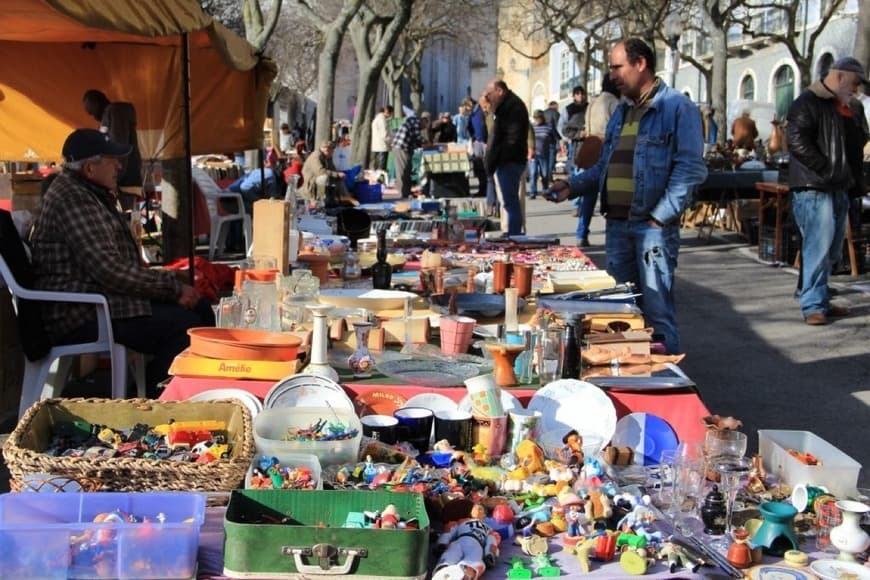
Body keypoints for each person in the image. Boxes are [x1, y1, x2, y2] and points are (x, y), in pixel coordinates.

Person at [548, 38, 707, 354]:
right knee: (622, 312)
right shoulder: (622, 112)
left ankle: (665, 381)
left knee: (657, 315)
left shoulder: (677, 107)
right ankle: (633, 374)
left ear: (641, 64)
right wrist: (573, 186)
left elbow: (690, 169)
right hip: (618, 226)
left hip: (651, 229)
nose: (613, 75)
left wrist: (659, 218)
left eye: (618, 67)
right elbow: (605, 167)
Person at [29, 129, 214, 397]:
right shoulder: (73, 198)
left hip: (100, 298)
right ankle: (156, 404)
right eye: (111, 159)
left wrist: (171, 284)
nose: (118, 165)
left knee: (200, 311)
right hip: (82, 311)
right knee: (185, 329)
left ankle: (175, 393)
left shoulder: (87, 191)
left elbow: (113, 267)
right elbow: (109, 270)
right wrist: (172, 288)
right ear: (91, 168)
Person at [786, 56, 868, 325]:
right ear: (840, 76)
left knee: (831, 251)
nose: (856, 89)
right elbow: (796, 140)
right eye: (854, 82)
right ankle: (813, 305)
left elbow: (857, 143)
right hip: (815, 185)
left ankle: (819, 297)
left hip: (838, 185)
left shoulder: (849, 107)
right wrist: (826, 168)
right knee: (818, 248)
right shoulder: (808, 101)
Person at [574, 75, 621, 247]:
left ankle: (581, 232)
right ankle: (613, 235)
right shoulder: (614, 102)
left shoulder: (593, 102)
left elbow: (587, 128)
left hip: (590, 146)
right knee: (611, 194)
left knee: (589, 193)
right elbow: (617, 128)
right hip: (606, 147)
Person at [483, 79, 531, 236]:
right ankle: (512, 232)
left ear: (499, 91)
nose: (488, 98)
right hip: (507, 158)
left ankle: (514, 234)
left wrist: (496, 157)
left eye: (490, 94)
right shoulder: (505, 106)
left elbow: (506, 137)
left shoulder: (512, 107)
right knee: (509, 201)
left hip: (509, 159)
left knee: (510, 202)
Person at [82, 89, 143, 196]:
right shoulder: (109, 115)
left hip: (123, 182)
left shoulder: (114, 112)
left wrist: (113, 180)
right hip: (120, 180)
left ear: (97, 103)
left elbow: (118, 148)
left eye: (92, 112)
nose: (94, 117)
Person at [432, 504, 500, 580]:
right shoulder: (462, 521)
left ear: (484, 515)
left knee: (475, 561)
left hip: (476, 545)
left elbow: (492, 540)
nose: (477, 510)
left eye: (480, 509)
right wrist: (443, 542)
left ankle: (466, 574)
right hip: (461, 540)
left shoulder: (488, 528)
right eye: (474, 508)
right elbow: (450, 530)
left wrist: (490, 553)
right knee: (450, 554)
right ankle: (443, 570)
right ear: (471, 512)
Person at [301, 140, 358, 207]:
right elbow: (320, 171)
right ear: (327, 150)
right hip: (311, 181)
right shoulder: (316, 156)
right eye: (332, 151)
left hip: (319, 178)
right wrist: (336, 174)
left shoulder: (327, 157)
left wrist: (339, 174)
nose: (333, 153)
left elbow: (332, 169)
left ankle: (345, 198)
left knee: (339, 178)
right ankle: (322, 199)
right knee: (324, 178)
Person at [391, 112, 430, 199]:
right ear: (423, 121)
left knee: (408, 170)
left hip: (407, 148)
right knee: (402, 170)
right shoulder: (415, 122)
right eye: (424, 126)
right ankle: (402, 193)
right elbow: (417, 137)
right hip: (400, 147)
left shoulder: (415, 123)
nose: (423, 129)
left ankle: (407, 192)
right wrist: (426, 142)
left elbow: (414, 139)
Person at [528, 110, 559, 199]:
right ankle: (532, 192)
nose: (537, 120)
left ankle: (545, 190)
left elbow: (554, 139)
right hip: (533, 154)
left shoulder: (548, 127)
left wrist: (555, 148)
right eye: (535, 118)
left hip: (544, 154)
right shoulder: (531, 127)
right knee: (533, 173)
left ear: (542, 118)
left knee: (544, 174)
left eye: (538, 118)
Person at [561, 86, 588, 175]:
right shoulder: (568, 109)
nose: (580, 96)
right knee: (574, 167)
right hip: (573, 142)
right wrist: (567, 139)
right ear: (574, 96)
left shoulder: (590, 107)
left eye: (582, 94)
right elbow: (562, 126)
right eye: (577, 94)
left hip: (589, 142)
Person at [370, 105, 393, 170]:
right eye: (391, 113)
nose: (391, 115)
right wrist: (391, 141)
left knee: (377, 166)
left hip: (377, 146)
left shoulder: (377, 118)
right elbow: (384, 135)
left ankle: (378, 178)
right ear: (388, 112)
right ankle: (380, 179)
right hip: (382, 146)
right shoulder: (382, 120)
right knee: (381, 168)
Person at [543, 100, 562, 178]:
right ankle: (549, 176)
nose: (558, 109)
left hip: (542, 139)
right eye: (557, 107)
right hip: (552, 138)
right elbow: (559, 127)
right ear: (554, 106)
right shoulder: (555, 113)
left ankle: (544, 175)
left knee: (544, 158)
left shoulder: (543, 113)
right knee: (551, 158)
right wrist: (560, 139)